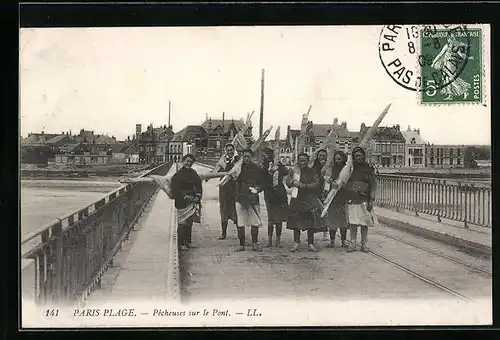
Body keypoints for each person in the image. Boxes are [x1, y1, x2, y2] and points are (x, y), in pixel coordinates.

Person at [286, 152, 326, 252]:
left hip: (308, 199)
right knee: (296, 222)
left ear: (308, 161)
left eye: (304, 160)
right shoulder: (294, 171)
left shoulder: (312, 171)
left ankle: (310, 243)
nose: (302, 162)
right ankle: (296, 243)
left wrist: (306, 186)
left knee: (310, 222)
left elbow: (317, 183)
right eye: (300, 160)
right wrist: (293, 182)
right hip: (297, 198)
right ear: (298, 161)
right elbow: (288, 181)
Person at [344, 147, 377, 252]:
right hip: (352, 198)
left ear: (364, 156)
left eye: (360, 155)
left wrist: (371, 199)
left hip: (364, 199)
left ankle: (363, 244)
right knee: (353, 222)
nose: (358, 158)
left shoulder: (368, 169)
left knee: (364, 222)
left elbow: (373, 184)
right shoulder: (350, 168)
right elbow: (345, 182)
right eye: (356, 156)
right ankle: (353, 243)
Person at [234, 148, 265, 252]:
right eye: (244, 156)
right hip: (240, 197)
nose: (246, 158)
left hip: (252, 198)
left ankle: (254, 244)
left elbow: (262, 184)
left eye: (248, 156)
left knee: (254, 222)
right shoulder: (237, 168)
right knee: (240, 222)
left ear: (251, 157)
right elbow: (233, 181)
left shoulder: (257, 169)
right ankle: (241, 245)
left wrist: (257, 189)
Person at [170, 154, 203, 251]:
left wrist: (198, 196)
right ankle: (181, 243)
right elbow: (175, 189)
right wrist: (184, 196)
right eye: (187, 161)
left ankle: (188, 242)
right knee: (182, 223)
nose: (189, 163)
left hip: (192, 201)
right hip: (182, 202)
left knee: (189, 222)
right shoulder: (178, 175)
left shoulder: (193, 173)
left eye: (191, 162)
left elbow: (198, 185)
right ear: (183, 161)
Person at [260, 147, 289, 248]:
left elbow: (286, 171)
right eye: (265, 156)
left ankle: (278, 240)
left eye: (268, 155)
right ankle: (269, 240)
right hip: (269, 194)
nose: (266, 157)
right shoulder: (264, 167)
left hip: (279, 194)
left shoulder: (279, 165)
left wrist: (279, 165)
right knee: (271, 218)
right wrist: (268, 171)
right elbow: (261, 178)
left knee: (279, 219)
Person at [213, 143, 239, 240]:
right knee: (224, 209)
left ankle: (239, 232)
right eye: (227, 150)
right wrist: (208, 176)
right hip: (224, 189)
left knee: (235, 210)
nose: (229, 152)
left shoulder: (238, 160)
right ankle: (224, 233)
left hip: (234, 188)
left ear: (234, 150)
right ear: (225, 151)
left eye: (231, 150)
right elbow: (216, 171)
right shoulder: (222, 161)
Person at [324, 150, 348, 248]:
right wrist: (329, 181)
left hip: (342, 196)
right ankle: (332, 241)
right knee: (332, 220)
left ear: (343, 159)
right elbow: (326, 179)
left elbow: (349, 183)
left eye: (339, 159)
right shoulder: (331, 169)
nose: (337, 161)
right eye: (336, 159)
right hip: (332, 197)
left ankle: (343, 241)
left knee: (343, 221)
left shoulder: (346, 170)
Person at [311, 149, 329, 241]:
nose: (322, 157)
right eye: (320, 155)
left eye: (324, 155)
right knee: (315, 213)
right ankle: (312, 233)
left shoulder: (328, 166)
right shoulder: (315, 167)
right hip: (316, 191)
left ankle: (326, 233)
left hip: (325, 191)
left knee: (324, 211)